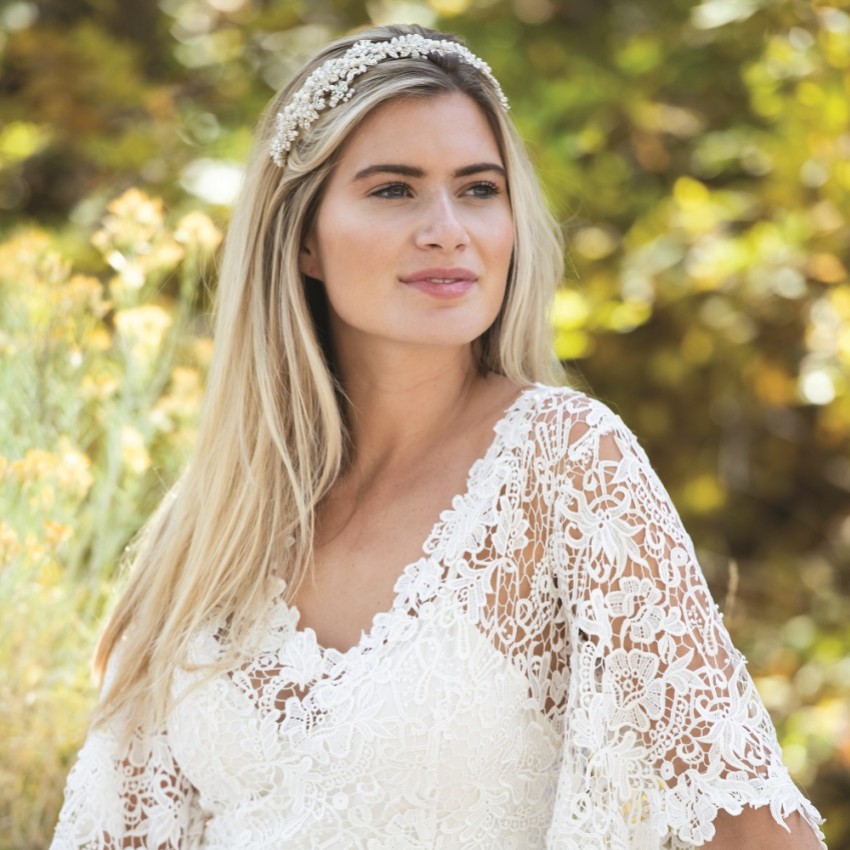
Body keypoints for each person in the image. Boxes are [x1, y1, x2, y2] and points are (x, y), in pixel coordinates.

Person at [51, 23, 826, 850]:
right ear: (302, 237)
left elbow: (752, 831)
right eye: (394, 190)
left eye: (479, 189)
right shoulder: (205, 524)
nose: (447, 229)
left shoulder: (563, 463)